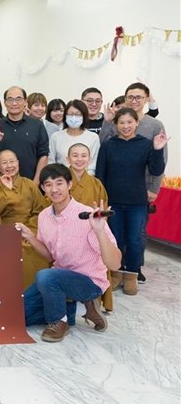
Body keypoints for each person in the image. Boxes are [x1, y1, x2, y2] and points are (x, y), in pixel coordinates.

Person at [19, 164, 121, 342]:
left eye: (59, 183)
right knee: (17, 314)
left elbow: (115, 264)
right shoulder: (44, 216)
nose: (54, 189)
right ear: (43, 188)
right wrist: (30, 235)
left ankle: (58, 320)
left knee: (45, 276)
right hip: (59, 279)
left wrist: (99, 230)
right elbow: (50, 256)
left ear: (69, 184)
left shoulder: (88, 215)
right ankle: (72, 313)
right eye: (48, 185)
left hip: (89, 282)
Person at [99, 83, 168, 284]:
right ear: (116, 124)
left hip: (137, 201)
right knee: (116, 238)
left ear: (136, 123)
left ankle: (133, 273)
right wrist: (102, 198)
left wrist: (157, 149)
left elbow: (156, 170)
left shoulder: (146, 144)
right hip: (113, 200)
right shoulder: (109, 146)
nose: (126, 126)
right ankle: (117, 271)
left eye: (130, 122)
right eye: (122, 122)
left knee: (135, 239)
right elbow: (101, 174)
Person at [66, 142, 113, 312]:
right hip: (66, 233)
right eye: (75, 155)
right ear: (68, 159)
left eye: (83, 155)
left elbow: (104, 211)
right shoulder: (61, 181)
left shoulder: (96, 184)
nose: (79, 159)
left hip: (90, 231)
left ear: (90, 159)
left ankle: (95, 299)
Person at [0, 150, 48, 287]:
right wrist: (7, 192)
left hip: (29, 230)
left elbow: (40, 212)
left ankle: (34, 294)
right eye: (4, 163)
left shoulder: (30, 185)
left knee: (35, 250)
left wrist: (29, 231)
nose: (9, 166)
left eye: (12, 161)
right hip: (3, 232)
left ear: (18, 163)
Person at [0, 86, 49, 182]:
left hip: (30, 183)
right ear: (5, 103)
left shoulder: (37, 125)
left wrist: (36, 182)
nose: (14, 103)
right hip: (1, 184)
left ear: (25, 102)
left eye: (18, 99)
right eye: (10, 99)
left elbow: (43, 156)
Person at [48, 99, 100, 175]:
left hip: (85, 181)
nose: (74, 117)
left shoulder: (93, 137)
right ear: (65, 116)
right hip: (61, 181)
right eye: (70, 114)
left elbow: (92, 166)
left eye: (78, 114)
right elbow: (51, 162)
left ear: (84, 116)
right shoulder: (56, 137)